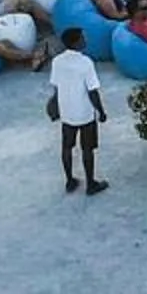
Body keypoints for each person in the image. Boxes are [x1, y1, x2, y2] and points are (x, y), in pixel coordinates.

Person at [47, 26, 108, 194]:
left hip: (67, 112)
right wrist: (101, 111)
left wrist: (55, 105)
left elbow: (56, 87)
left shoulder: (57, 61)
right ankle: (91, 184)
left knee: (67, 147)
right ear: (76, 42)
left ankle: (69, 181)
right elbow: (92, 91)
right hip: (85, 113)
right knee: (87, 149)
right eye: (82, 38)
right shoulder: (86, 63)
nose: (85, 40)